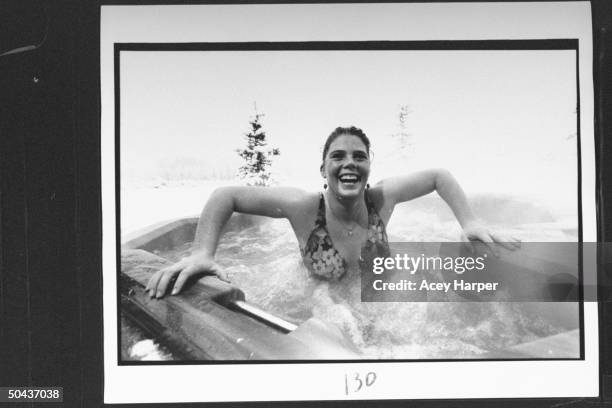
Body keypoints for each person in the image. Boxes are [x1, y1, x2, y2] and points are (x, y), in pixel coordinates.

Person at [146, 126, 519, 299]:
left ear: (370, 165)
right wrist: (202, 254)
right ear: (323, 169)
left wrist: (469, 222)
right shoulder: (303, 207)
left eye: (359, 156)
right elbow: (225, 195)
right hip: (321, 304)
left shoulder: (381, 198)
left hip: (379, 300)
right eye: (337, 156)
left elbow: (440, 176)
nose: (349, 164)